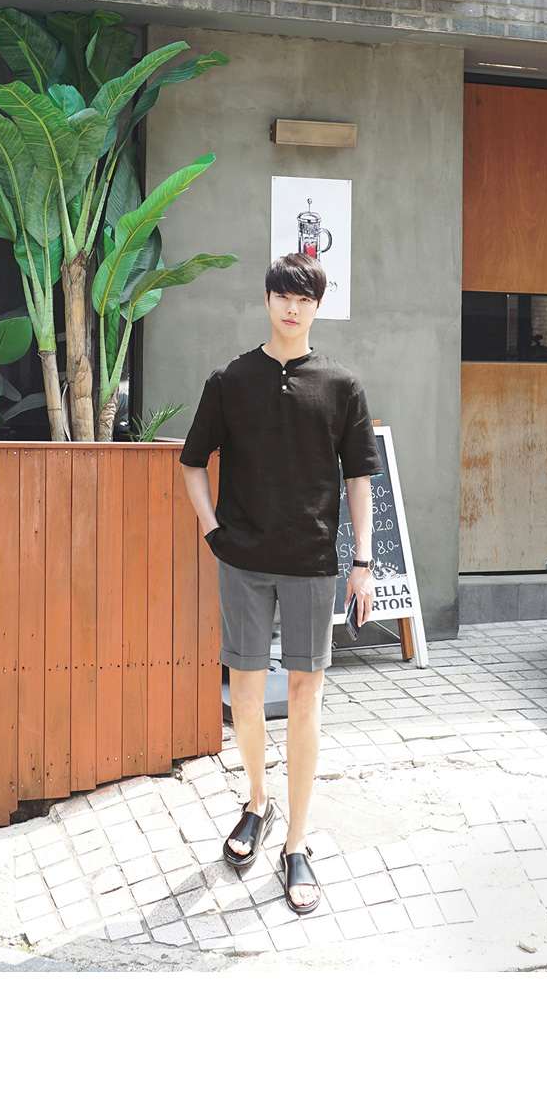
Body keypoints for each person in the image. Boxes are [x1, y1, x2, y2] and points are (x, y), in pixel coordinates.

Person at [180, 253, 380, 916]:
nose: (292, 308)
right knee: (242, 690)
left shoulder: (342, 385)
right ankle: (257, 802)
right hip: (242, 559)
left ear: (317, 306)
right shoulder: (230, 380)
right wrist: (213, 531)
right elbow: (192, 462)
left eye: (304, 298)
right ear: (267, 300)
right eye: (282, 296)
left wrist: (362, 562)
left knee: (304, 696)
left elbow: (358, 478)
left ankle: (297, 842)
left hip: (312, 562)